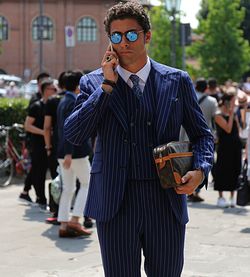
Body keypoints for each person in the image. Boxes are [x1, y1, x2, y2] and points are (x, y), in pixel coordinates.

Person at [64, 2, 214, 276]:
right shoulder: (93, 83)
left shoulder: (177, 80)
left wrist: (200, 170)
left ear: (147, 35)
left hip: (165, 198)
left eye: (131, 34)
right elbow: (74, 133)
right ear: (109, 39)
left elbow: (203, 135)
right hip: (114, 201)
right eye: (116, 36)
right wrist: (106, 87)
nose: (124, 42)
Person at [56, 70, 92, 238]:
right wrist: (70, 152)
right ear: (78, 85)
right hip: (75, 152)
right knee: (87, 184)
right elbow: (70, 129)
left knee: (68, 188)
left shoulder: (63, 101)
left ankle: (63, 224)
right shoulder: (73, 101)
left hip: (64, 152)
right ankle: (75, 220)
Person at [24, 79, 57, 210]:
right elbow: (27, 125)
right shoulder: (36, 106)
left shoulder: (55, 105)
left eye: (55, 89)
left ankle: (54, 203)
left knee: (54, 173)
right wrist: (44, 132)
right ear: (44, 91)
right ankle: (41, 199)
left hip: (52, 144)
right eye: (52, 89)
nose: (55, 92)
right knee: (39, 172)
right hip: (38, 144)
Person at [187, 78, 218, 202]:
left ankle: (189, 188)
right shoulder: (212, 101)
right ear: (206, 88)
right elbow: (215, 119)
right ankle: (195, 188)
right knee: (203, 161)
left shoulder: (188, 96)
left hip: (185, 135)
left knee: (185, 161)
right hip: (204, 136)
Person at [44, 71, 67, 224]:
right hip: (76, 148)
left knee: (56, 179)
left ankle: (56, 212)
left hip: (56, 147)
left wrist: (48, 146)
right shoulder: (79, 97)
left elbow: (47, 127)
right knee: (78, 182)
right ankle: (81, 215)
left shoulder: (52, 101)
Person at [214, 91, 242, 208]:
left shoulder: (234, 113)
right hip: (224, 147)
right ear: (227, 102)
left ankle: (232, 196)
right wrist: (231, 114)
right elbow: (228, 129)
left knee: (235, 169)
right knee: (222, 169)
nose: (234, 103)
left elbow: (240, 129)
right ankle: (220, 196)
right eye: (232, 101)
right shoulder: (218, 115)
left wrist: (235, 116)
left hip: (235, 145)